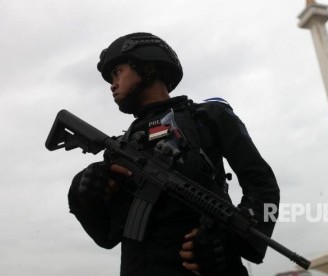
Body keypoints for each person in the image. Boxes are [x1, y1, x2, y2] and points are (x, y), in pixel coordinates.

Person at [68, 32, 280, 276]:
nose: (112, 84)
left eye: (118, 72)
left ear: (147, 67)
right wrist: (84, 194)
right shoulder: (123, 147)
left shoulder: (207, 117)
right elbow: (106, 235)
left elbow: (263, 186)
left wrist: (229, 241)